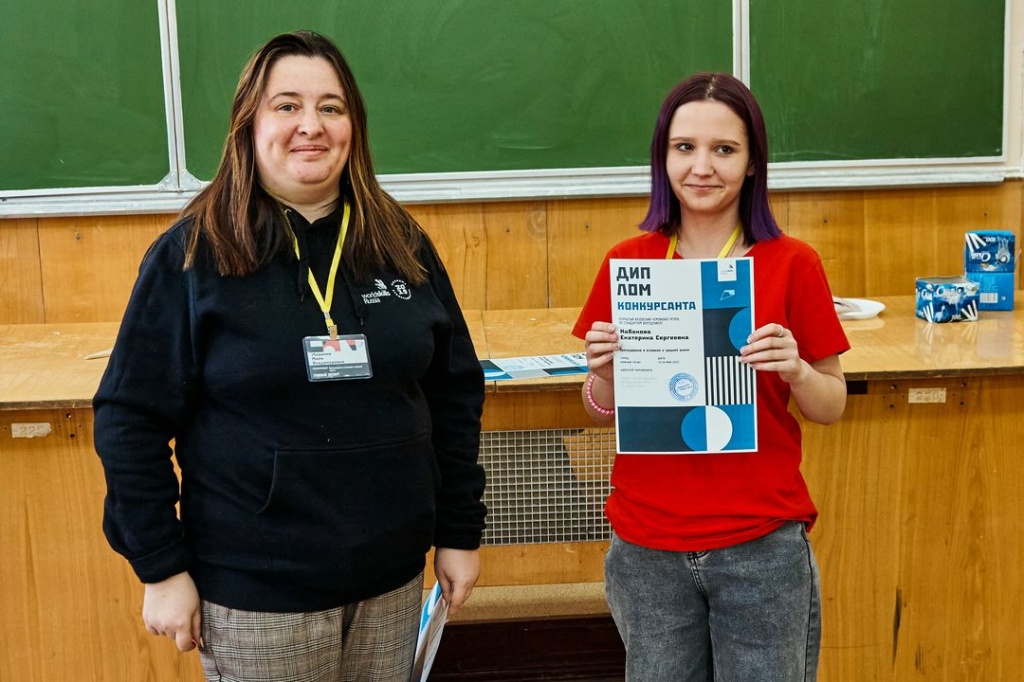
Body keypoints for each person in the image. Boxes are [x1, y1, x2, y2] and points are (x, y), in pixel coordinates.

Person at [93, 30, 486, 681]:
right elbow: (128, 418)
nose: (312, 125)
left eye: (331, 107)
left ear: (354, 127)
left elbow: (455, 393)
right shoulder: (192, 255)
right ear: (249, 125)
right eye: (287, 106)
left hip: (392, 580)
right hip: (257, 593)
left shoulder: (402, 244)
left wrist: (459, 531)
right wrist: (160, 567)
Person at [573, 72, 849, 681]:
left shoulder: (793, 263)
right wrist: (607, 375)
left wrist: (798, 370)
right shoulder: (629, 261)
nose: (702, 167)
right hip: (647, 545)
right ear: (663, 157)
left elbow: (831, 404)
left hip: (760, 543)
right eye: (685, 147)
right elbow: (598, 403)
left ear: (752, 164)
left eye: (724, 149)